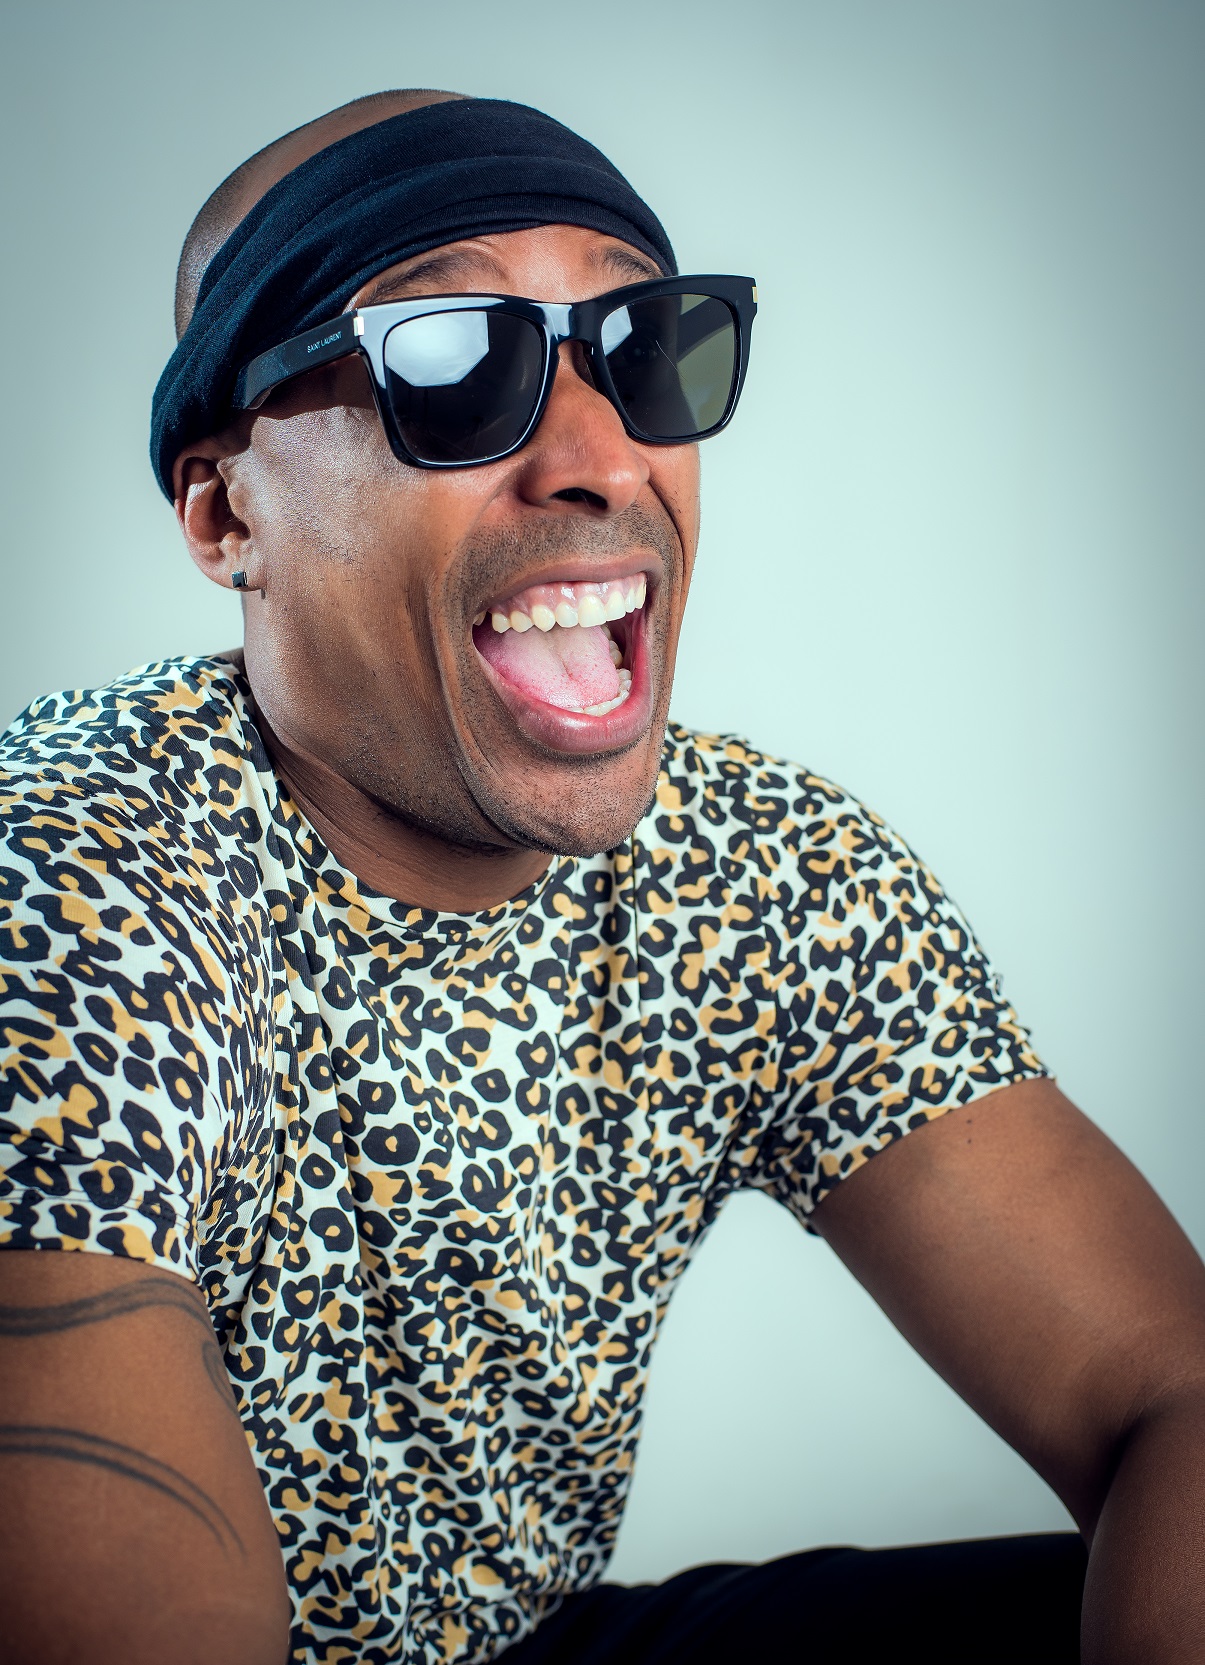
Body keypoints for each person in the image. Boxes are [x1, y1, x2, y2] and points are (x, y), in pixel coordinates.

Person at [0, 87, 1202, 1665]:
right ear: (229, 512)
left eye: (643, 348)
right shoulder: (75, 886)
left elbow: (1162, 1388)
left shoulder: (759, 875)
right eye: (449, 361)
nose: (597, 455)